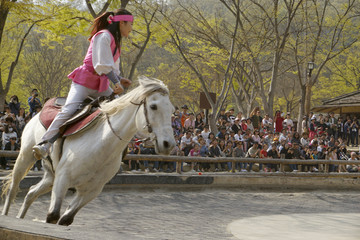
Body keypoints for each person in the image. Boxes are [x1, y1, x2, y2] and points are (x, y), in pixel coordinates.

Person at [32, 9, 133, 159]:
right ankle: (44, 144)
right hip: (84, 83)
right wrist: (116, 81)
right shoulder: (103, 36)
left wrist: (120, 78)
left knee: (121, 107)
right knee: (68, 110)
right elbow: (101, 66)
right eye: (130, 24)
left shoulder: (115, 43)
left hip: (101, 86)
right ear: (122, 23)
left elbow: (111, 68)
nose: (131, 28)